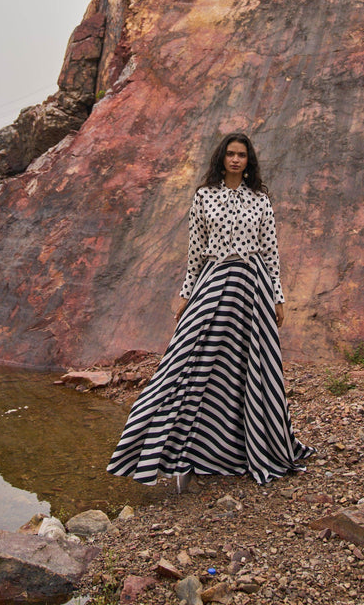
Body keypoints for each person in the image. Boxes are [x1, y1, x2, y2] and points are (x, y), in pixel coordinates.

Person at [107, 132, 314, 491]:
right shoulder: (203, 197)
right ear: (222, 158)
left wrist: (278, 298)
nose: (236, 160)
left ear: (249, 162)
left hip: (253, 288)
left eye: (242, 155)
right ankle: (176, 455)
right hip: (215, 281)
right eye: (231, 154)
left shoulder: (260, 200)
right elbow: (196, 254)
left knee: (251, 369)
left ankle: (248, 448)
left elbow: (270, 254)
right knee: (188, 363)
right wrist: (186, 296)